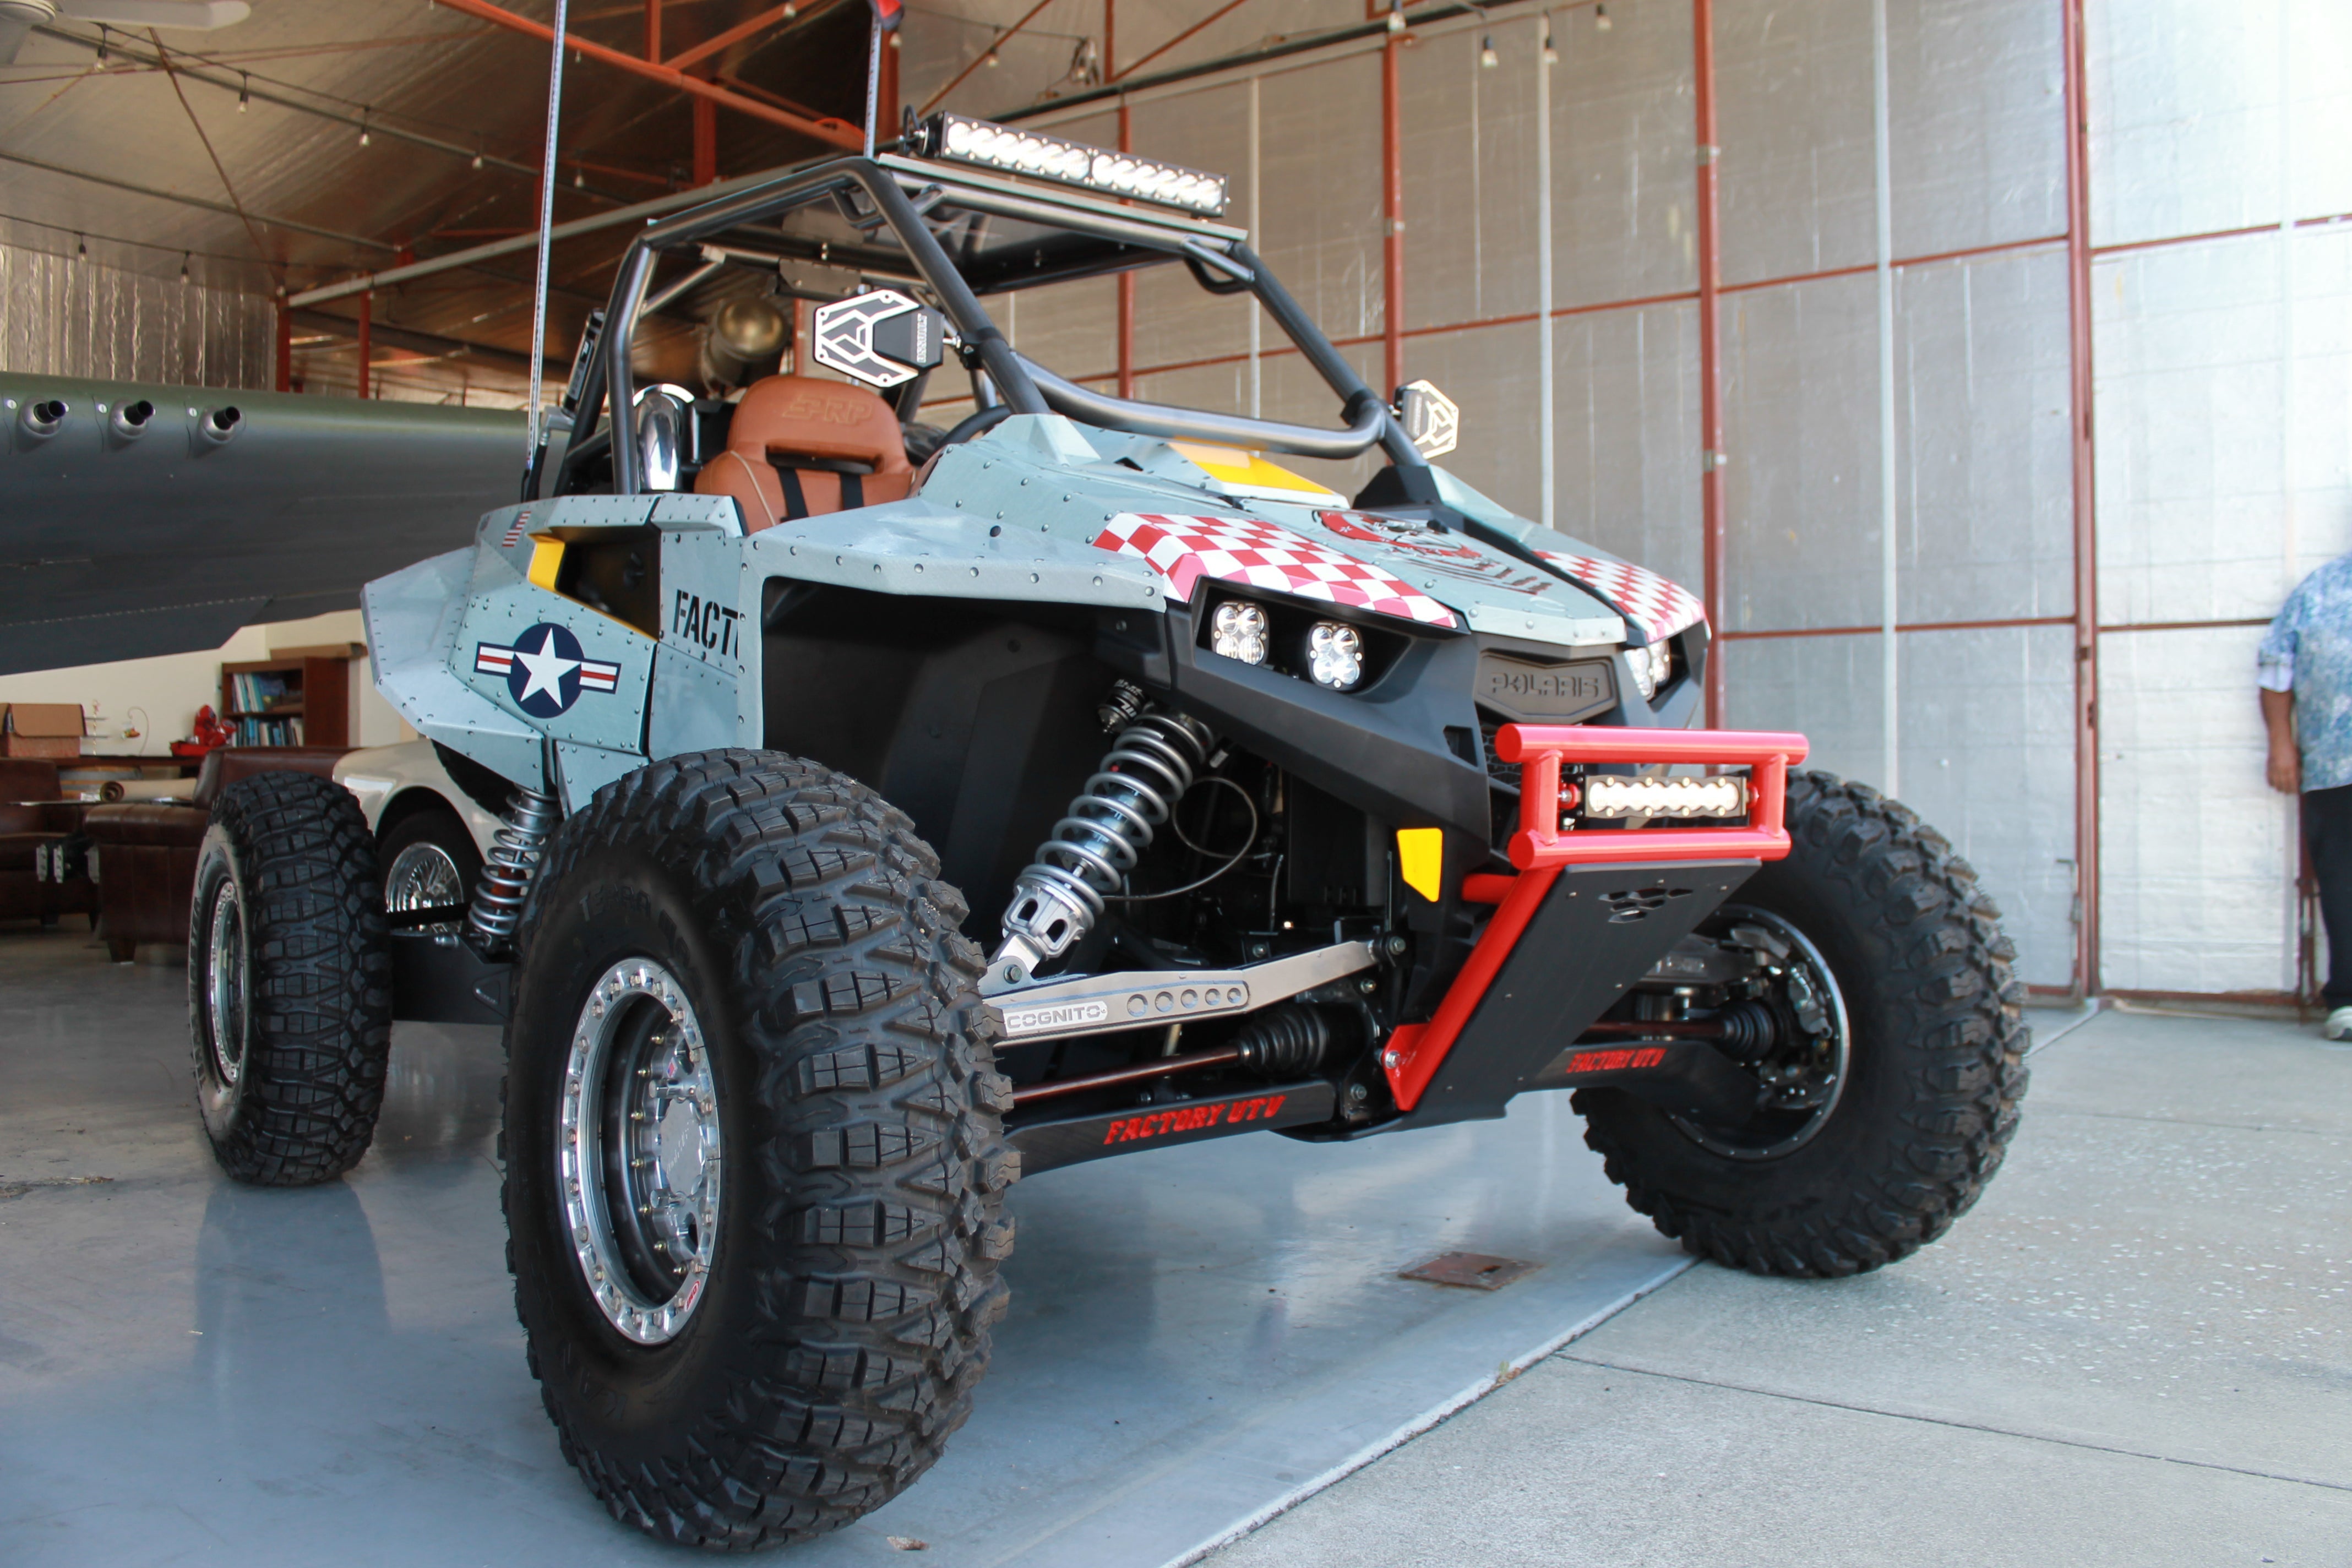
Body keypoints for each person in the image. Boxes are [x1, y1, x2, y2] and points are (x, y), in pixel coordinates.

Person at [2260, 553, 2352, 1039]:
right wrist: (2281, 743)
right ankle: (2348, 1001)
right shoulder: (2321, 588)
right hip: (2338, 766)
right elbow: (2276, 665)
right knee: (2342, 884)